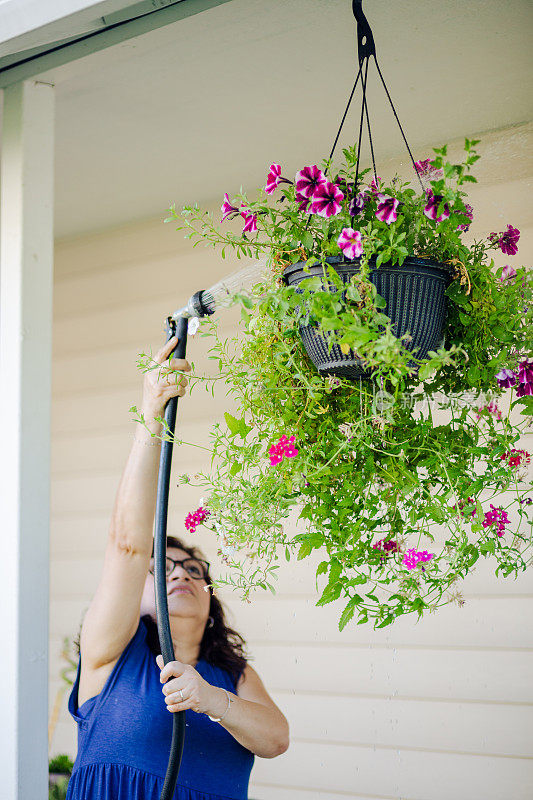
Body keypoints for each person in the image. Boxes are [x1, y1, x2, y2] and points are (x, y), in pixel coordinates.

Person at [66, 335, 289, 800]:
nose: (180, 574)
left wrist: (212, 698)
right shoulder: (110, 653)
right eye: (161, 568)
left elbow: (275, 739)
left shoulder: (233, 673)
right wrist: (151, 412)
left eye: (193, 568)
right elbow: (127, 546)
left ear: (212, 599)